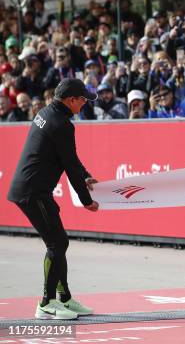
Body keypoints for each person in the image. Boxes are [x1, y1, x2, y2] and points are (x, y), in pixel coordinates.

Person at [7, 78, 100, 319]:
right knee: (57, 244)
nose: (85, 103)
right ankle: (46, 303)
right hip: (32, 191)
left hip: (33, 189)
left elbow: (69, 156)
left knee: (59, 243)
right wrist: (86, 199)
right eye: (83, 99)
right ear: (71, 100)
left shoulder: (47, 112)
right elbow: (69, 164)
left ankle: (65, 299)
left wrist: (86, 174)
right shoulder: (62, 124)